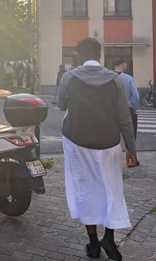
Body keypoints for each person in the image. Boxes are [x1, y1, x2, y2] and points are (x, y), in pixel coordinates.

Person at [57, 38, 139, 261]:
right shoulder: (116, 80)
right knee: (111, 188)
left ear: (79, 57)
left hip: (77, 141)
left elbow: (61, 104)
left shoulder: (69, 77)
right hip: (108, 142)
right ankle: (109, 238)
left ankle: (93, 244)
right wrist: (131, 149)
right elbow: (124, 118)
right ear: (100, 55)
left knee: (86, 188)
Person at [114, 58, 140, 139]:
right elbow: (135, 96)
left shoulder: (109, 77)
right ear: (123, 64)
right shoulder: (128, 78)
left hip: (112, 108)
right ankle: (130, 148)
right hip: (127, 107)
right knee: (130, 131)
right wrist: (134, 107)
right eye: (126, 63)